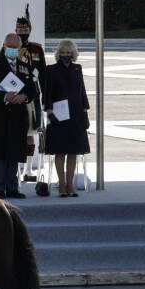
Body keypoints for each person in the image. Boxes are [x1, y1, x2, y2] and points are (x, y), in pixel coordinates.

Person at [0, 33, 38, 199]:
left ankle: (13, 188)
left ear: (19, 49)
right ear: (4, 47)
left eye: (15, 47)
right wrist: (4, 96)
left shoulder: (25, 67)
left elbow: (33, 91)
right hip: (0, 115)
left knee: (14, 151)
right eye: (9, 47)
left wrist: (24, 97)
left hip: (18, 116)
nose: (12, 50)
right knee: (0, 152)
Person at [44, 39, 90, 197]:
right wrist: (49, 111)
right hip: (58, 115)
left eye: (69, 53)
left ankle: (70, 185)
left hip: (76, 114)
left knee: (73, 151)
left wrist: (85, 111)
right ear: (58, 53)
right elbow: (47, 91)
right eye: (63, 52)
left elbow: (82, 90)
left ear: (73, 54)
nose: (66, 55)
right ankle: (62, 184)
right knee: (60, 151)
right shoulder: (51, 69)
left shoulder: (78, 68)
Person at [15, 5, 46, 182]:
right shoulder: (10, 47)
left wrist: (46, 97)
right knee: (15, 133)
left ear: (30, 30)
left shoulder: (36, 49)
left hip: (32, 95)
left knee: (30, 133)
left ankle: (28, 169)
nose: (22, 32)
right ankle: (15, 169)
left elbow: (43, 72)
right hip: (15, 95)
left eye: (25, 29)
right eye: (19, 29)